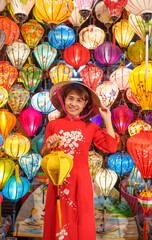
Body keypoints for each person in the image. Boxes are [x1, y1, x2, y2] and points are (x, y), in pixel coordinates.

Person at [41, 81, 118, 240]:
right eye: (71, 98)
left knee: (81, 221)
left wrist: (107, 118)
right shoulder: (53, 125)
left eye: (79, 100)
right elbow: (44, 155)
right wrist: (48, 146)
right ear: (64, 100)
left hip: (81, 181)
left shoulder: (90, 127)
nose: (73, 104)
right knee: (59, 220)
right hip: (58, 182)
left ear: (85, 105)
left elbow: (111, 147)